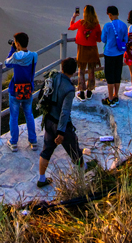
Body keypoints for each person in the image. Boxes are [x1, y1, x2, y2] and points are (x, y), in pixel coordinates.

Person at [37, 58, 93, 187]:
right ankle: (82, 178)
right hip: (61, 126)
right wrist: (61, 132)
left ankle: (41, 179)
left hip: (49, 120)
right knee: (75, 151)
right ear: (74, 72)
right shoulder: (69, 89)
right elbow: (65, 111)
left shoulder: (54, 76)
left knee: (46, 150)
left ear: (62, 68)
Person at [5, 32, 39, 152]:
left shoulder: (15, 56)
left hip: (16, 91)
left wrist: (12, 50)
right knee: (29, 114)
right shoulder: (34, 56)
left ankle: (14, 142)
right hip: (28, 90)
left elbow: (7, 63)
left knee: (14, 116)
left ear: (17, 44)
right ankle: (33, 141)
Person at [68, 5, 101, 101]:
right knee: (91, 71)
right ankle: (90, 91)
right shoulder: (96, 24)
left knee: (81, 71)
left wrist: (74, 17)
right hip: (92, 50)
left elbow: (71, 27)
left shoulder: (80, 23)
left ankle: (81, 92)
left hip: (82, 50)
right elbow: (99, 39)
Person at [101, 5, 129, 107]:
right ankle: (116, 95)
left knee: (110, 75)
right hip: (119, 53)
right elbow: (125, 40)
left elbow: (103, 39)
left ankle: (110, 98)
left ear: (110, 14)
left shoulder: (107, 26)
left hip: (109, 53)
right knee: (117, 74)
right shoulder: (123, 25)